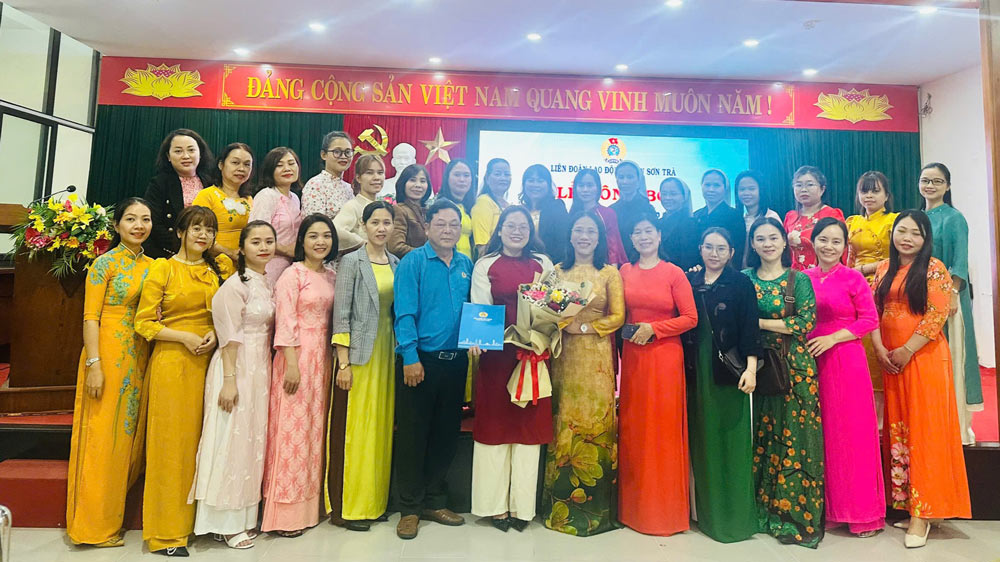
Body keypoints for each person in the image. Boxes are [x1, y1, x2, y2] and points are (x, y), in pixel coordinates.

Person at [135, 205, 233, 557]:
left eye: (209, 229)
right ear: (180, 232)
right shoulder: (163, 268)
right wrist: (183, 337)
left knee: (205, 445)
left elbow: (227, 315)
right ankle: (166, 534)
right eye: (195, 228)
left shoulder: (218, 270)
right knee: (171, 449)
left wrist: (212, 334)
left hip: (210, 363)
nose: (203, 235)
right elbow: (144, 323)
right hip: (173, 364)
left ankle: (202, 524)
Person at [871, 210, 972, 548]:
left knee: (926, 432)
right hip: (891, 361)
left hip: (923, 359)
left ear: (925, 238)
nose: (907, 238)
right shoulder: (885, 268)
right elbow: (874, 310)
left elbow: (936, 315)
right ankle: (910, 503)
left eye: (915, 233)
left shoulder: (934, 269)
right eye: (902, 231)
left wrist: (906, 350)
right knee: (900, 428)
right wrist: (883, 350)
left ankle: (923, 514)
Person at [66, 198, 154, 548]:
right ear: (116, 225)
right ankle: (92, 527)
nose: (138, 225)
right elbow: (91, 317)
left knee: (127, 441)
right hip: (106, 356)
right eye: (130, 219)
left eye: (145, 219)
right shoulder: (104, 265)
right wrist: (94, 365)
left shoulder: (155, 266)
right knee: (102, 440)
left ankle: (112, 520)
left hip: (140, 356)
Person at [189, 221, 276, 549]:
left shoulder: (265, 283)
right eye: (256, 242)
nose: (263, 247)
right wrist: (228, 381)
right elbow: (228, 336)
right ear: (242, 248)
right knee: (229, 439)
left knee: (250, 440)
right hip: (235, 366)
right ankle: (222, 521)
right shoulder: (234, 285)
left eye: (269, 241)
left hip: (260, 369)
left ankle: (242, 517)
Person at [393, 199, 474, 540]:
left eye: (453, 225)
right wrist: (410, 356)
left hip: (456, 363)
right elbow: (405, 313)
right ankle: (409, 508)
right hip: (420, 362)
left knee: (444, 435)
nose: (447, 230)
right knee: (413, 436)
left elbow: (474, 311)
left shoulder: (466, 263)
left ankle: (435, 501)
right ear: (427, 227)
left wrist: (476, 339)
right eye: (441, 224)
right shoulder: (413, 262)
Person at [469, 206, 554, 533]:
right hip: (497, 357)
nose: (516, 231)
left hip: (533, 355)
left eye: (523, 226)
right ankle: (494, 508)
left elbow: (552, 307)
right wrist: (476, 339)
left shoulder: (543, 264)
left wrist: (543, 338)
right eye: (510, 225)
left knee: (528, 431)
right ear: (500, 230)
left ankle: (522, 508)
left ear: (530, 231)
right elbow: (480, 309)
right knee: (495, 429)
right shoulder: (485, 264)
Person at [541, 210, 624, 537]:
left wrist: (586, 326)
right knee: (561, 422)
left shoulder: (609, 273)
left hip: (596, 360)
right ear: (571, 235)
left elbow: (618, 315)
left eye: (591, 231)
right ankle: (556, 510)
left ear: (600, 237)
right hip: (563, 357)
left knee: (594, 422)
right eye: (579, 230)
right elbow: (544, 309)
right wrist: (563, 323)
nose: (584, 236)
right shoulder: (557, 271)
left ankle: (595, 514)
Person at [744, 217, 824, 548]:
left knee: (798, 439)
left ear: (784, 242)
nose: (767, 243)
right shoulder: (744, 279)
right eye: (760, 238)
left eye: (773, 237)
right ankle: (762, 512)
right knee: (764, 436)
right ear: (752, 244)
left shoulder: (798, 280)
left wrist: (758, 322)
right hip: (759, 368)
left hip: (796, 368)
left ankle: (794, 519)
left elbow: (805, 322)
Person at [803, 218, 884, 537]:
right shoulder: (802, 278)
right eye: (823, 239)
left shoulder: (853, 278)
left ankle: (863, 513)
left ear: (845, 246)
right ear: (813, 242)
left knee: (853, 434)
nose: (829, 246)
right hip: (812, 360)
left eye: (836, 241)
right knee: (826, 435)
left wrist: (834, 338)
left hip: (846, 359)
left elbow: (869, 319)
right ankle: (834, 509)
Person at [618, 214, 697, 536]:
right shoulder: (623, 271)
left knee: (662, 431)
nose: (643, 236)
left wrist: (655, 329)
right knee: (635, 430)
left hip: (665, 359)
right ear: (632, 239)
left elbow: (691, 318)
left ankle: (664, 513)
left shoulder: (674, 272)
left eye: (648, 231)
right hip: (634, 360)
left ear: (659, 235)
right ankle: (633, 510)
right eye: (637, 231)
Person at [261, 214, 338, 537]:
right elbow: (286, 320)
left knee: (314, 433)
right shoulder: (292, 275)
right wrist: (291, 361)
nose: (320, 242)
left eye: (326, 236)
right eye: (313, 236)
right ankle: (284, 512)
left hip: (324, 359)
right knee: (291, 433)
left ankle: (310, 506)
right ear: (301, 242)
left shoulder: (332, 276)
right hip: (296, 357)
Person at [327, 201, 399, 531]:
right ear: (364, 226)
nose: (381, 228)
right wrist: (343, 363)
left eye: (387, 222)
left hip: (388, 354)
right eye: (375, 222)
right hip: (358, 357)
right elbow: (340, 314)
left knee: (381, 430)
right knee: (357, 430)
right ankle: (351, 508)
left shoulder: (397, 263)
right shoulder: (351, 261)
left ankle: (375, 503)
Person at [685, 227, 761, 543]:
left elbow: (750, 328)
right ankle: (705, 514)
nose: (713, 254)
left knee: (732, 442)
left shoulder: (741, 283)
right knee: (701, 441)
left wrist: (752, 369)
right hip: (693, 373)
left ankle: (737, 519)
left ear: (731, 252)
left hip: (729, 373)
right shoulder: (689, 282)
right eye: (708, 247)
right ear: (700, 249)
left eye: (721, 248)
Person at [919, 162, 983, 445]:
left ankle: (957, 428)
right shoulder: (918, 218)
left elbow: (959, 262)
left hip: (949, 301)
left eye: (937, 181)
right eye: (925, 180)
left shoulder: (954, 218)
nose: (930, 186)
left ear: (947, 186)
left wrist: (950, 296)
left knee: (953, 359)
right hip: (919, 298)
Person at [845, 170, 898, 425]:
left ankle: (881, 422)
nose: (869, 195)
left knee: (880, 347)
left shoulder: (894, 221)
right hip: (854, 289)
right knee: (859, 349)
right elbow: (848, 260)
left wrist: (865, 270)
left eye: (875, 190)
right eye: (864, 190)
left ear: (887, 195)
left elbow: (900, 257)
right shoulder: (851, 221)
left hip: (886, 287)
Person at [143, 129, 214, 258]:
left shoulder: (210, 182)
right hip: (169, 253)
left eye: (191, 150)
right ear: (168, 156)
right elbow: (154, 223)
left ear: (200, 154)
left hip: (206, 252)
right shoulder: (159, 183)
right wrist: (184, 247)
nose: (186, 156)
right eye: (178, 151)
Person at [248, 147, 302, 286]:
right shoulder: (266, 195)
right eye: (279, 165)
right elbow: (256, 234)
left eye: (291, 163)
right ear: (270, 170)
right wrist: (286, 249)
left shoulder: (295, 198)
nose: (287, 168)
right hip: (268, 265)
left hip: (290, 267)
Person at [192, 142, 254, 261]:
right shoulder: (207, 195)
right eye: (235, 163)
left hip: (245, 265)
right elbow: (197, 234)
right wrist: (229, 253)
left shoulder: (249, 199)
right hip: (214, 263)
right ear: (221, 165)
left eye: (247, 164)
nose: (241, 169)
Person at [784, 166, 845, 271]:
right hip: (795, 277)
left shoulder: (832, 214)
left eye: (810, 185)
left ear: (822, 189)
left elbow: (843, 250)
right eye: (798, 185)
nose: (803, 189)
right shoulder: (790, 217)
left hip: (824, 275)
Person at [567, 169, 628, 266]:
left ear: (598, 188)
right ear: (575, 188)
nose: (585, 190)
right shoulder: (571, 215)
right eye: (581, 185)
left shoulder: (608, 213)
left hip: (601, 267)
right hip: (574, 266)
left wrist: (613, 270)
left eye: (590, 185)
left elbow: (613, 246)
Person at [693, 169, 746, 268]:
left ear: (725, 188)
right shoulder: (696, 215)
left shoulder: (734, 216)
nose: (711, 189)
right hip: (698, 272)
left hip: (725, 274)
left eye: (716, 185)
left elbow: (738, 251)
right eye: (707, 185)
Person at [519, 164, 570, 264]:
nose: (535, 185)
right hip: (521, 265)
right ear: (524, 184)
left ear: (548, 184)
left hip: (550, 266)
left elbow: (563, 243)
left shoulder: (557, 207)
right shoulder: (521, 210)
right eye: (531, 180)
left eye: (540, 181)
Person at [334, 154, 385, 253]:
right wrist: (363, 243)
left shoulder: (383, 207)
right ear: (358, 178)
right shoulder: (353, 206)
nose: (376, 177)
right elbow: (336, 230)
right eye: (369, 173)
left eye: (380, 172)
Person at [301, 131, 356, 218]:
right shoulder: (315, 185)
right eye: (337, 152)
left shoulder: (349, 189)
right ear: (324, 155)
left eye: (348, 152)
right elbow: (316, 225)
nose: (343, 156)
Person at [610, 161, 656, 262]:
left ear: (639, 180)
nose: (625, 181)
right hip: (616, 265)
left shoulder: (648, 209)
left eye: (630, 177)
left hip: (642, 263)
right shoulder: (611, 210)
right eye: (621, 177)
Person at [735, 170, 781, 268]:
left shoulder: (770, 217)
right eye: (742, 189)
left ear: (761, 190)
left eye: (751, 189)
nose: (746, 193)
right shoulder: (740, 218)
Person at [388, 164, 431, 258]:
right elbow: (395, 247)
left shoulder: (428, 212)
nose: (418, 185)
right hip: (409, 267)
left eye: (423, 181)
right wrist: (427, 255)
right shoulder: (399, 210)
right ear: (403, 184)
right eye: (412, 180)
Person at [471, 158, 512, 257]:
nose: (503, 178)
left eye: (507, 174)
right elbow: (482, 245)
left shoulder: (509, 206)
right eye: (498, 174)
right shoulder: (484, 201)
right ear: (487, 178)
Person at [657, 177, 700, 272]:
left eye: (673, 194)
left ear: (684, 197)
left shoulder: (690, 224)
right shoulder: (658, 223)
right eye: (664, 194)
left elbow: (689, 259)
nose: (668, 198)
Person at [437, 158, 477, 259]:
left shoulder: (468, 207)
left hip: (467, 265)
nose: (462, 180)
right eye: (457, 175)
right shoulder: (441, 206)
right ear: (447, 178)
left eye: (466, 175)